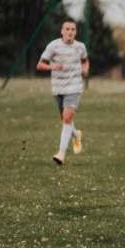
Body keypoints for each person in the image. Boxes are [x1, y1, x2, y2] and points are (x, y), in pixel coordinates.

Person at [36, 19, 89, 165]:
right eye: (67, 29)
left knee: (67, 117)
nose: (70, 32)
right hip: (58, 87)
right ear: (62, 31)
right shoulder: (53, 46)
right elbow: (40, 65)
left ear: (75, 32)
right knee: (65, 120)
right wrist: (53, 67)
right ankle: (76, 135)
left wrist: (85, 68)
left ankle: (61, 153)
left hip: (74, 87)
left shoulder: (80, 47)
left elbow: (85, 61)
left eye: (72, 29)